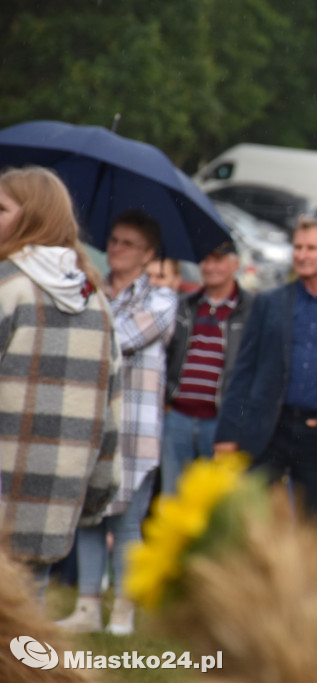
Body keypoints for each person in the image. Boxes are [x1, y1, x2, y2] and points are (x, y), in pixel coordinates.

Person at [0, 167, 122, 600]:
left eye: (1, 209)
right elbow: (111, 413)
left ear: (32, 218)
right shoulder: (97, 304)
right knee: (24, 643)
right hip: (53, 503)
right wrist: (99, 491)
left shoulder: (7, 287)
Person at [60, 208, 177, 635]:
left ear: (148, 254)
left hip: (136, 431)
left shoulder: (162, 300)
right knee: (89, 517)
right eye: (112, 240)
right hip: (92, 425)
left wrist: (88, 310)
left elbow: (114, 340)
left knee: (128, 522)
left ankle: (124, 610)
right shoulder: (91, 290)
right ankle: (88, 606)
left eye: (127, 243)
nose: (115, 249)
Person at [214, 218, 317, 516]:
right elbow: (243, 372)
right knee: (255, 524)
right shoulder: (268, 303)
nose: (302, 255)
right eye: (297, 247)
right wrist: (227, 434)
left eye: (312, 247)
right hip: (269, 430)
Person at [161, 240, 253, 495]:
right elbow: (167, 355)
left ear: (235, 264)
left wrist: (238, 423)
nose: (210, 266)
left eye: (218, 260)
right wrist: (167, 400)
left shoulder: (251, 310)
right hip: (178, 418)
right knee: (173, 499)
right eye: (206, 260)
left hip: (220, 423)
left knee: (217, 505)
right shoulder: (185, 305)